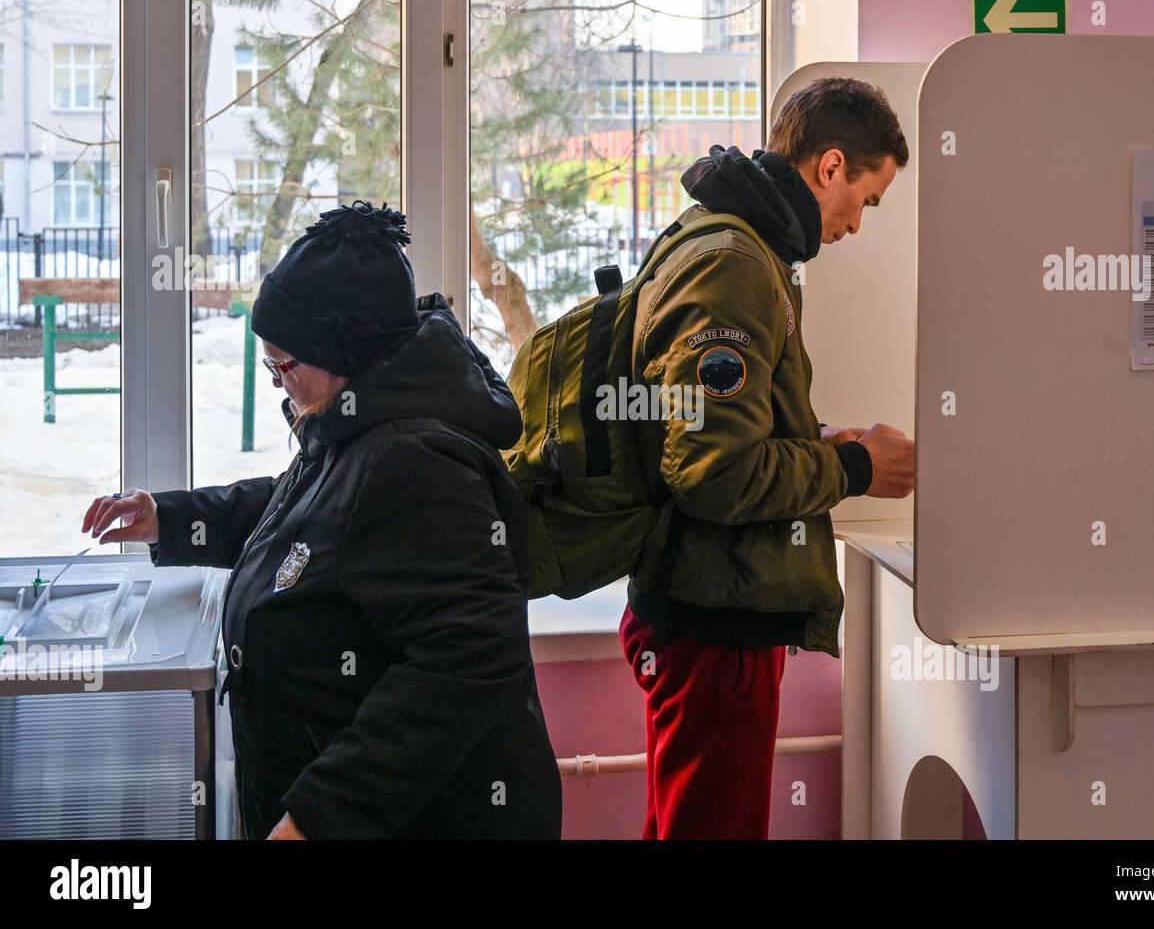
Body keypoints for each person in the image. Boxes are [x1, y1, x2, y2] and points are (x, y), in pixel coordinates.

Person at [82, 202, 561, 840]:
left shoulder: (413, 460)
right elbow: (300, 513)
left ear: (342, 356)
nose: (280, 384)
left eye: (285, 365)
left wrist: (320, 816)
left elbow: (466, 663)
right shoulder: (360, 421)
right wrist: (167, 519)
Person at [620, 77, 916, 839]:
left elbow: (707, 434)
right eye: (867, 199)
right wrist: (853, 471)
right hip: (715, 619)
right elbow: (714, 473)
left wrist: (818, 444)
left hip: (703, 606)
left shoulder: (728, 242)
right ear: (830, 168)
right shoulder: (736, 267)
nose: (857, 224)